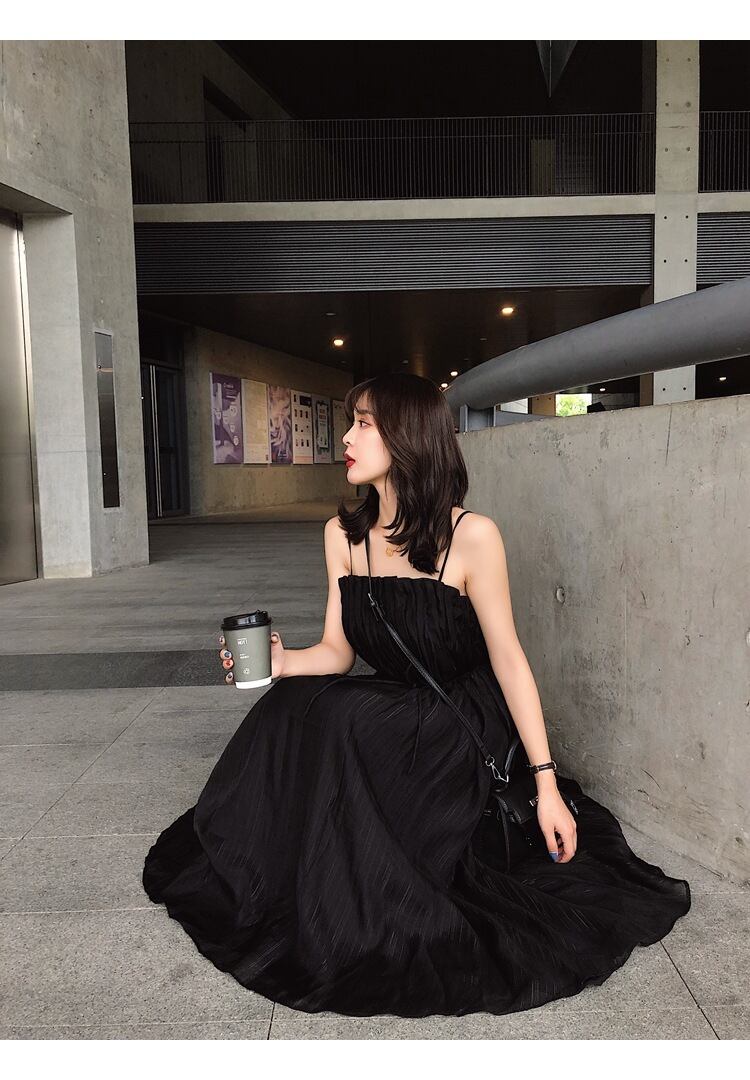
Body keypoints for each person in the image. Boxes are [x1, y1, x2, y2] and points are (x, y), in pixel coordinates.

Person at [142, 372, 691, 1018]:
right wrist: (284, 663)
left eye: (364, 424)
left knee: (345, 720)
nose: (346, 438)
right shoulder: (342, 536)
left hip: (460, 717)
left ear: (407, 437)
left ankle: (351, 871)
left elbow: (508, 660)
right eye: (351, 422)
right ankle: (285, 861)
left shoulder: (472, 537)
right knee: (288, 707)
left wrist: (545, 784)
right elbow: (338, 652)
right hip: (395, 705)